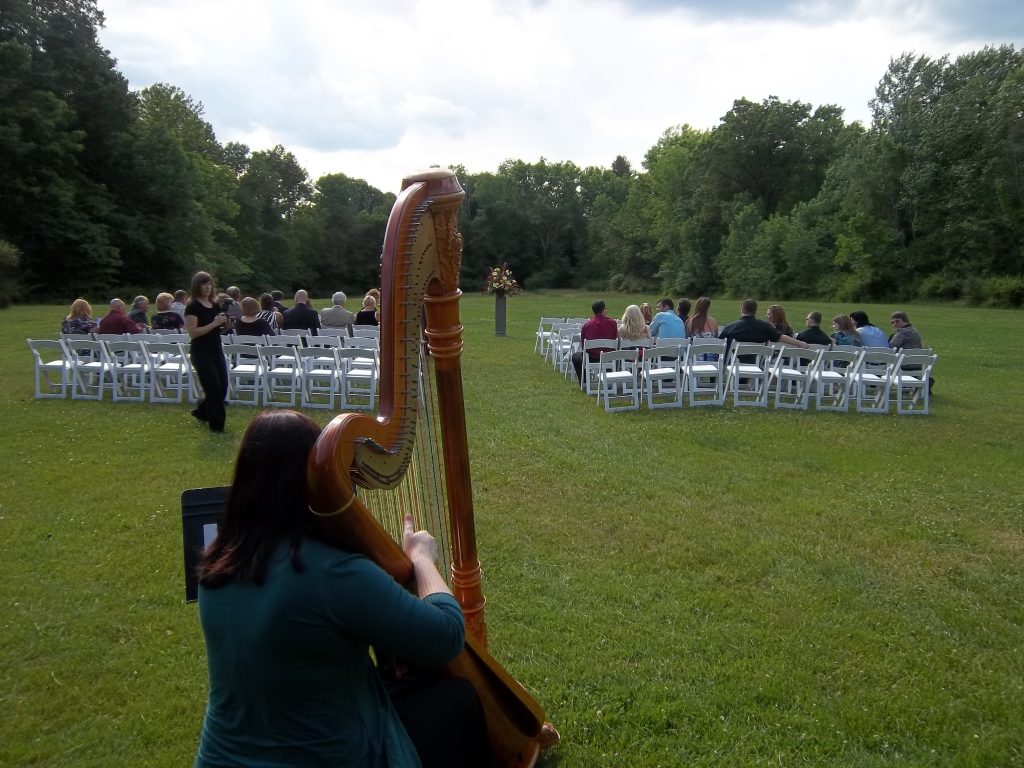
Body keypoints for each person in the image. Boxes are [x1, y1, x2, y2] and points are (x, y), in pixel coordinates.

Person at [194, 410, 488, 768]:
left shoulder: (216, 562)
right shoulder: (332, 572)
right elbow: (446, 635)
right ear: (316, 482)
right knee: (457, 698)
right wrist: (422, 559)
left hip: (221, 758)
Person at [185, 271, 230, 433]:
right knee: (213, 388)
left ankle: (202, 412)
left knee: (223, 385)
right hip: (201, 352)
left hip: (216, 349)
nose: (207, 287)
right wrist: (214, 324)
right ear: (197, 286)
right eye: (204, 284)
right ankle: (217, 427)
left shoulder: (215, 305)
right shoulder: (192, 306)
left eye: (209, 284)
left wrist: (224, 323)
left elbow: (218, 329)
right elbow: (193, 332)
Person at [719, 299, 808, 352]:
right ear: (755, 310)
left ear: (742, 309)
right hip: (757, 363)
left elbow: (719, 344)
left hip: (733, 363)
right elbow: (781, 337)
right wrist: (801, 343)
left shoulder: (730, 327)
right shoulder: (765, 327)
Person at [571, 299, 618, 382]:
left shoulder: (587, 325)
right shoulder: (612, 323)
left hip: (592, 358)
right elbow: (616, 339)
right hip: (609, 357)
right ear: (603, 310)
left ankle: (584, 381)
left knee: (575, 357)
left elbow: (584, 345)